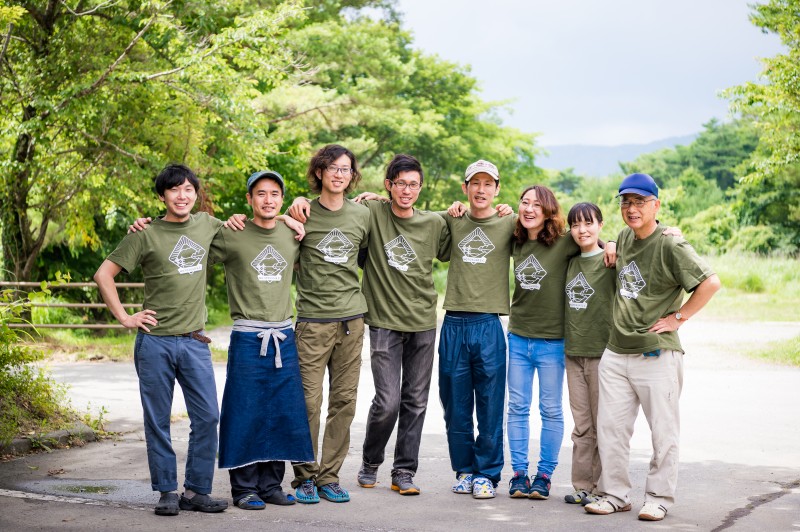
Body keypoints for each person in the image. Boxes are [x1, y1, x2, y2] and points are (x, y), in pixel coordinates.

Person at [234, 144, 371, 504]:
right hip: (312, 321)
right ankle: (305, 476)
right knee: (307, 403)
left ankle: (330, 476)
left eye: (345, 169)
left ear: (352, 175)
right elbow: (268, 220)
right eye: (331, 168)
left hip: (352, 321)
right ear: (320, 173)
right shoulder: (302, 213)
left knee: (344, 402)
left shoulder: (362, 216)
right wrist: (285, 215)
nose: (338, 174)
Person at [584, 173, 721, 522]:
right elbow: (610, 246)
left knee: (663, 431)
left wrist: (679, 317)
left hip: (656, 353)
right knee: (612, 430)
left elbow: (710, 283)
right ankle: (614, 494)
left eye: (640, 202)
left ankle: (658, 498)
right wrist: (612, 244)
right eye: (626, 202)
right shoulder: (625, 238)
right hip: (616, 352)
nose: (632, 208)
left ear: (656, 205)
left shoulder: (671, 244)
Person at [94, 164, 228, 516]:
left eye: (188, 189)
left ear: (196, 194)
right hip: (155, 343)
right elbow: (103, 274)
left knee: (208, 417)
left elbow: (252, 232)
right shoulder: (145, 233)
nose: (182, 195)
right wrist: (125, 317)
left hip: (195, 341)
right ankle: (167, 491)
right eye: (174, 190)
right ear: (162, 196)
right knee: (158, 419)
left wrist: (290, 219)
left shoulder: (207, 225)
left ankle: (197, 491)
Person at [210, 170, 314, 510]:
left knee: (281, 411)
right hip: (247, 336)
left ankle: (271, 485)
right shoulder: (232, 234)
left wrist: (290, 217)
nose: (267, 200)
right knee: (246, 411)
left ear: (281, 199)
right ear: (249, 199)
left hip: (283, 334)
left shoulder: (291, 233)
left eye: (274, 194)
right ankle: (244, 488)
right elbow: (191, 247)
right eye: (260, 194)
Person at [351, 154, 450, 496]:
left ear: (420, 188)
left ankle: (404, 471)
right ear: (388, 185)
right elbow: (338, 211)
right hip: (383, 323)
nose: (407, 190)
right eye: (400, 184)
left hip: (423, 321)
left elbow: (466, 235)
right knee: (388, 400)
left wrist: (463, 210)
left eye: (413, 185)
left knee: (416, 401)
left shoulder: (433, 223)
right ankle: (371, 460)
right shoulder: (371, 213)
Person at [438, 160, 515, 499]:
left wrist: (610, 244)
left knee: (489, 404)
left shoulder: (510, 223)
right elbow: (408, 216)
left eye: (488, 184)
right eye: (475, 183)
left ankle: (487, 474)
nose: (481, 189)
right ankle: (465, 470)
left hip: (488, 323)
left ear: (497, 189)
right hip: (454, 322)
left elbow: (553, 230)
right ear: (465, 188)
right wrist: (373, 198)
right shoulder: (452, 220)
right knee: (455, 407)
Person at [506, 185, 582, 500]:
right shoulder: (515, 241)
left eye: (537, 205)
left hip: (553, 341)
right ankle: (519, 475)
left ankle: (545, 476)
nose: (529, 209)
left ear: (549, 211)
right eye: (524, 202)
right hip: (518, 338)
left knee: (550, 409)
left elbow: (598, 242)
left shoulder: (564, 244)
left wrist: (614, 245)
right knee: (517, 407)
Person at [562, 202, 616, 506]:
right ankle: (582, 485)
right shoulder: (569, 262)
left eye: (588, 223)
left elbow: (636, 243)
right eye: (576, 225)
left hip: (602, 354)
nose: (582, 230)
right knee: (582, 426)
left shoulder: (610, 260)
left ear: (600, 224)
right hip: (573, 353)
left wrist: (613, 243)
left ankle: (603, 487)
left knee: (602, 423)